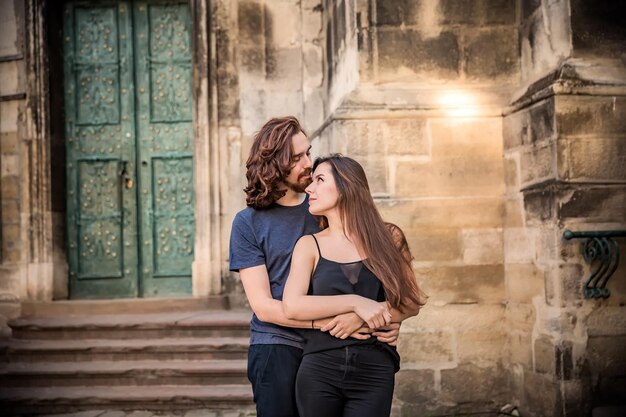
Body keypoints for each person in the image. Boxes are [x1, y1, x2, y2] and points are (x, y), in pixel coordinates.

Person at [229, 117, 401, 417]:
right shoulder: (248, 223)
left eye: (308, 152)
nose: (308, 163)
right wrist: (342, 319)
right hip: (278, 345)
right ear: (273, 164)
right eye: (296, 158)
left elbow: (369, 274)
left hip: (332, 350)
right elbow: (264, 307)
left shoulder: (324, 205)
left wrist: (381, 316)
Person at [282, 154, 426, 417]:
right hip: (319, 368)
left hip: (375, 369)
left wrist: (359, 320)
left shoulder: (390, 236)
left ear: (346, 185)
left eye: (319, 180)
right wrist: (356, 304)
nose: (309, 188)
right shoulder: (309, 245)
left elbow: (411, 301)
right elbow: (292, 305)